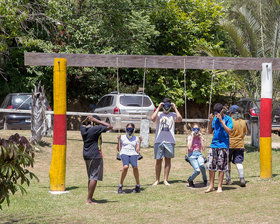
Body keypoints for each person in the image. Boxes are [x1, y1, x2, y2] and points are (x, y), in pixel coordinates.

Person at [80, 115, 113, 204]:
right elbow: (109, 126)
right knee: (94, 177)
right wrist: (98, 122)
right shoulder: (96, 129)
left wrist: (86, 120)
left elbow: (82, 124)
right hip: (95, 155)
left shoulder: (83, 129)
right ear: (95, 122)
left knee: (90, 177)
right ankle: (89, 200)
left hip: (86, 155)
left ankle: (89, 197)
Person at [151, 97, 182, 186]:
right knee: (158, 160)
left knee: (168, 160)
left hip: (170, 141)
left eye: (168, 105)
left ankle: (165, 179)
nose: (167, 107)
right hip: (159, 140)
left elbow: (180, 119)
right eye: (165, 105)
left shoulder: (172, 114)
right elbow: (152, 118)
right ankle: (157, 180)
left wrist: (175, 108)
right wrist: (158, 108)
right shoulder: (159, 114)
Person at [205, 103, 233, 193]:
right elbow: (210, 131)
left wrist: (221, 121)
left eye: (218, 112)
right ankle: (211, 186)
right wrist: (210, 121)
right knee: (211, 166)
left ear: (222, 111)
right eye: (215, 112)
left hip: (223, 146)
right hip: (214, 145)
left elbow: (230, 131)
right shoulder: (215, 119)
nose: (217, 114)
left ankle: (219, 186)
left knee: (221, 167)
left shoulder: (228, 119)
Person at [225, 105, 247, 187]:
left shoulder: (229, 121)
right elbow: (244, 133)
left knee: (227, 162)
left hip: (229, 144)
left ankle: (228, 179)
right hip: (240, 144)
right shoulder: (243, 122)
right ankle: (241, 178)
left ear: (231, 113)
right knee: (239, 162)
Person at [117, 123, 141, 193]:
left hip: (133, 153)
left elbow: (137, 150)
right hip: (124, 152)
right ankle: (120, 185)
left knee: (135, 167)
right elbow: (118, 149)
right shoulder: (122, 137)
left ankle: (138, 185)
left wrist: (140, 142)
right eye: (128, 129)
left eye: (131, 129)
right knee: (125, 167)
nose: (129, 131)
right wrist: (118, 140)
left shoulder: (136, 138)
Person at [186, 123, 207, 187]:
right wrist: (192, 137)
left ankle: (205, 180)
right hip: (192, 155)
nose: (196, 131)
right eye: (194, 129)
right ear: (192, 130)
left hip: (199, 154)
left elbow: (203, 148)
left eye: (197, 129)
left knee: (202, 166)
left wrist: (201, 138)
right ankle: (190, 179)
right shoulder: (189, 137)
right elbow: (189, 147)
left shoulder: (200, 137)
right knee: (197, 170)